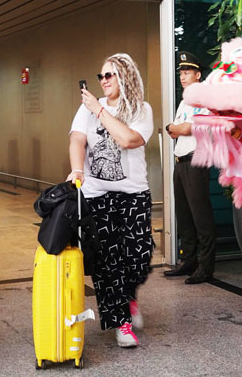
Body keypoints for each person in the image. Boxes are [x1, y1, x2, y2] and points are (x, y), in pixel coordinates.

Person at [67, 53, 154, 348]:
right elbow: (77, 139)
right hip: (98, 195)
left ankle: (129, 296)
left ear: (125, 77)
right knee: (108, 263)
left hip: (134, 195)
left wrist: (99, 111)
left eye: (109, 75)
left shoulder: (141, 110)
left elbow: (129, 140)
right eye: (100, 76)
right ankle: (122, 324)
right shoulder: (87, 109)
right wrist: (78, 168)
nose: (103, 81)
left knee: (138, 259)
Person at [163, 51, 217, 284]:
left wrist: (175, 127)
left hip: (196, 160)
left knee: (200, 215)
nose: (182, 77)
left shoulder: (204, 98)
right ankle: (189, 262)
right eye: (181, 73)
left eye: (187, 73)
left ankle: (205, 267)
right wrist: (175, 127)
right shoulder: (185, 101)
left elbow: (184, 130)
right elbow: (176, 129)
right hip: (180, 161)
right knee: (184, 215)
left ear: (198, 74)